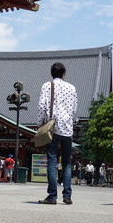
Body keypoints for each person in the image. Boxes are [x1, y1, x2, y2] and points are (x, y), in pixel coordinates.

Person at [38, 62, 78, 205]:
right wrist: (69, 121)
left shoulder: (47, 85)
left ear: (51, 73)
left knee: (52, 161)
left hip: (52, 127)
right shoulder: (72, 88)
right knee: (67, 162)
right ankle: (67, 195)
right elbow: (74, 109)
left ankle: (52, 196)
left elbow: (42, 106)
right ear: (64, 74)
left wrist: (40, 124)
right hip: (67, 129)